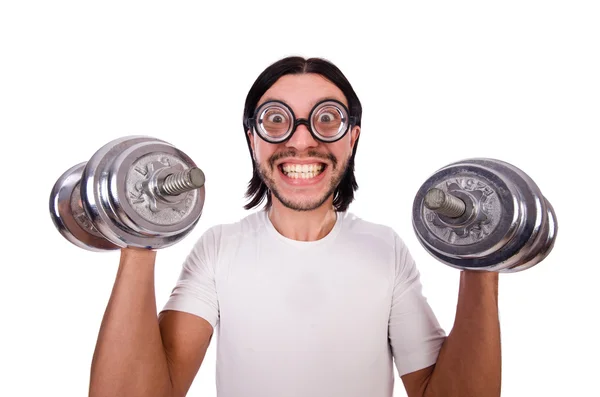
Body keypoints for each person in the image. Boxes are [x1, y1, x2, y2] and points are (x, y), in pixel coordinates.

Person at [88, 56, 501, 397]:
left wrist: (482, 258)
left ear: (352, 138)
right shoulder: (219, 249)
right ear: (253, 140)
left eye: (326, 119)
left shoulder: (385, 249)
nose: (301, 141)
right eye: (275, 120)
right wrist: (138, 236)